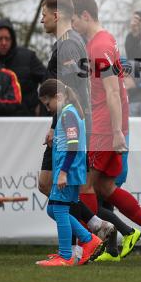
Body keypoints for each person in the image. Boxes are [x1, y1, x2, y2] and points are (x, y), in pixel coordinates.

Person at [72, 0, 141, 260]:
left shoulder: (99, 45)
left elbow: (113, 91)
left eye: (74, 20)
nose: (72, 26)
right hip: (108, 123)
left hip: (105, 126)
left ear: (85, 15)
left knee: (84, 185)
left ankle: (86, 246)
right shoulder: (103, 40)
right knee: (105, 187)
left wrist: (116, 132)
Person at [36, 79, 105, 266]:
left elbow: (73, 145)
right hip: (70, 170)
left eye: (48, 104)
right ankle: (89, 239)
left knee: (59, 209)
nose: (48, 109)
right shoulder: (68, 113)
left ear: (58, 97)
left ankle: (66, 255)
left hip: (69, 171)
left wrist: (63, 172)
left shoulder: (68, 114)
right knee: (53, 209)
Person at [0, 18, 47, 116]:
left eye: (7, 38)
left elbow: (48, 81)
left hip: (27, 118)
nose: (4, 42)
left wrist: (42, 107)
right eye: (0, 39)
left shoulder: (28, 57)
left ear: (12, 39)